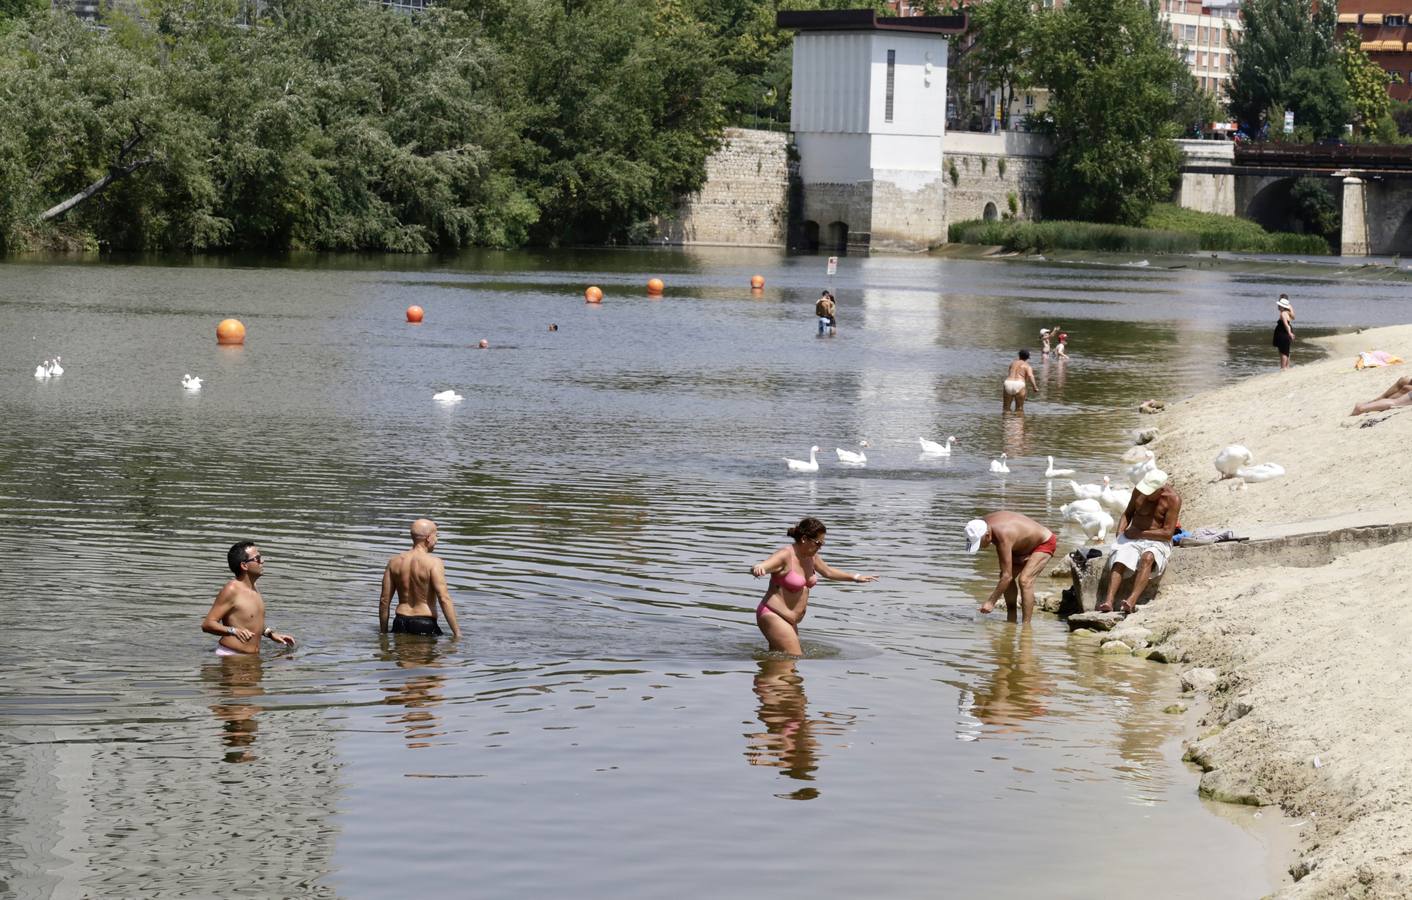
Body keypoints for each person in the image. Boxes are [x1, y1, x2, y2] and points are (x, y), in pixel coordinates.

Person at [750, 517, 877, 656]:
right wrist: (758, 568)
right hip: (773, 614)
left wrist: (855, 577)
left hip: (789, 619)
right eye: (818, 543)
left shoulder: (812, 557)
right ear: (804, 539)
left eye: (822, 543)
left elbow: (828, 572)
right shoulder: (785, 555)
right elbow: (764, 565)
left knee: (781, 663)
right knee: (793, 657)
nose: (820, 547)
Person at [1098, 469, 1181, 614]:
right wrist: (1120, 534)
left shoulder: (1173, 500)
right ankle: (1108, 601)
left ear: (1161, 489)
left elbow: (1168, 533)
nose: (1147, 494)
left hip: (1158, 539)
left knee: (1147, 557)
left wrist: (1139, 533)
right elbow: (1127, 513)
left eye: (1151, 492)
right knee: (1120, 557)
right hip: (1133, 535)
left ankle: (1131, 601)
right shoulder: (1139, 491)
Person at [201, 542, 296, 656]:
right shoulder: (231, 589)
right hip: (232, 656)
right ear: (244, 565)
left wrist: (270, 634)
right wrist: (233, 631)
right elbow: (207, 624)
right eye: (257, 558)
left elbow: (250, 621)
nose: (263, 561)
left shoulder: (254, 587)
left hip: (250, 658)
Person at [965, 511, 1057, 623]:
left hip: (1043, 542)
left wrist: (991, 602)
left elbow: (1006, 577)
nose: (978, 547)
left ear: (987, 535)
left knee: (1025, 580)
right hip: (1021, 546)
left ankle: (1026, 626)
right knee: (1005, 576)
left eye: (978, 543)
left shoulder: (1002, 536)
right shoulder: (980, 524)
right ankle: (1011, 619)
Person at [379, 518, 462, 638]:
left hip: (400, 622)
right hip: (424, 623)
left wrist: (383, 633)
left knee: (403, 656)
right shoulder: (434, 563)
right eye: (436, 535)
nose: (436, 539)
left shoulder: (394, 562)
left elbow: (384, 601)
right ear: (428, 538)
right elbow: (444, 599)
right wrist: (457, 633)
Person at [1273, 295, 1295, 370]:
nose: (1278, 306)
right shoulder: (1287, 313)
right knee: (1286, 351)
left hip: (1283, 334)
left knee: (1283, 352)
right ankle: (1286, 367)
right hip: (1284, 333)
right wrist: (1290, 333)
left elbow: (1286, 325)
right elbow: (1289, 323)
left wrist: (1290, 333)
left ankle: (1283, 368)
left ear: (1282, 306)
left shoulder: (1283, 314)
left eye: (1279, 305)